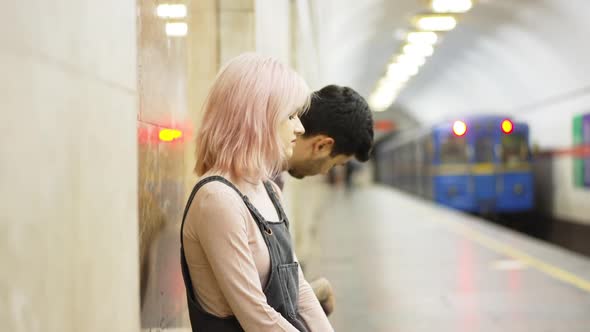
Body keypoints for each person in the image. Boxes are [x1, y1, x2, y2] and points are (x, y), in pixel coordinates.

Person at [180, 53, 333, 332]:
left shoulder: (269, 190)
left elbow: (297, 288)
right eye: (290, 115)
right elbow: (256, 316)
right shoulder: (217, 199)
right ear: (257, 118)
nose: (299, 128)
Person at [274, 84, 374, 315]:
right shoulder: (255, 185)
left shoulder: (271, 180)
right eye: (335, 164)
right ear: (321, 146)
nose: (324, 172)